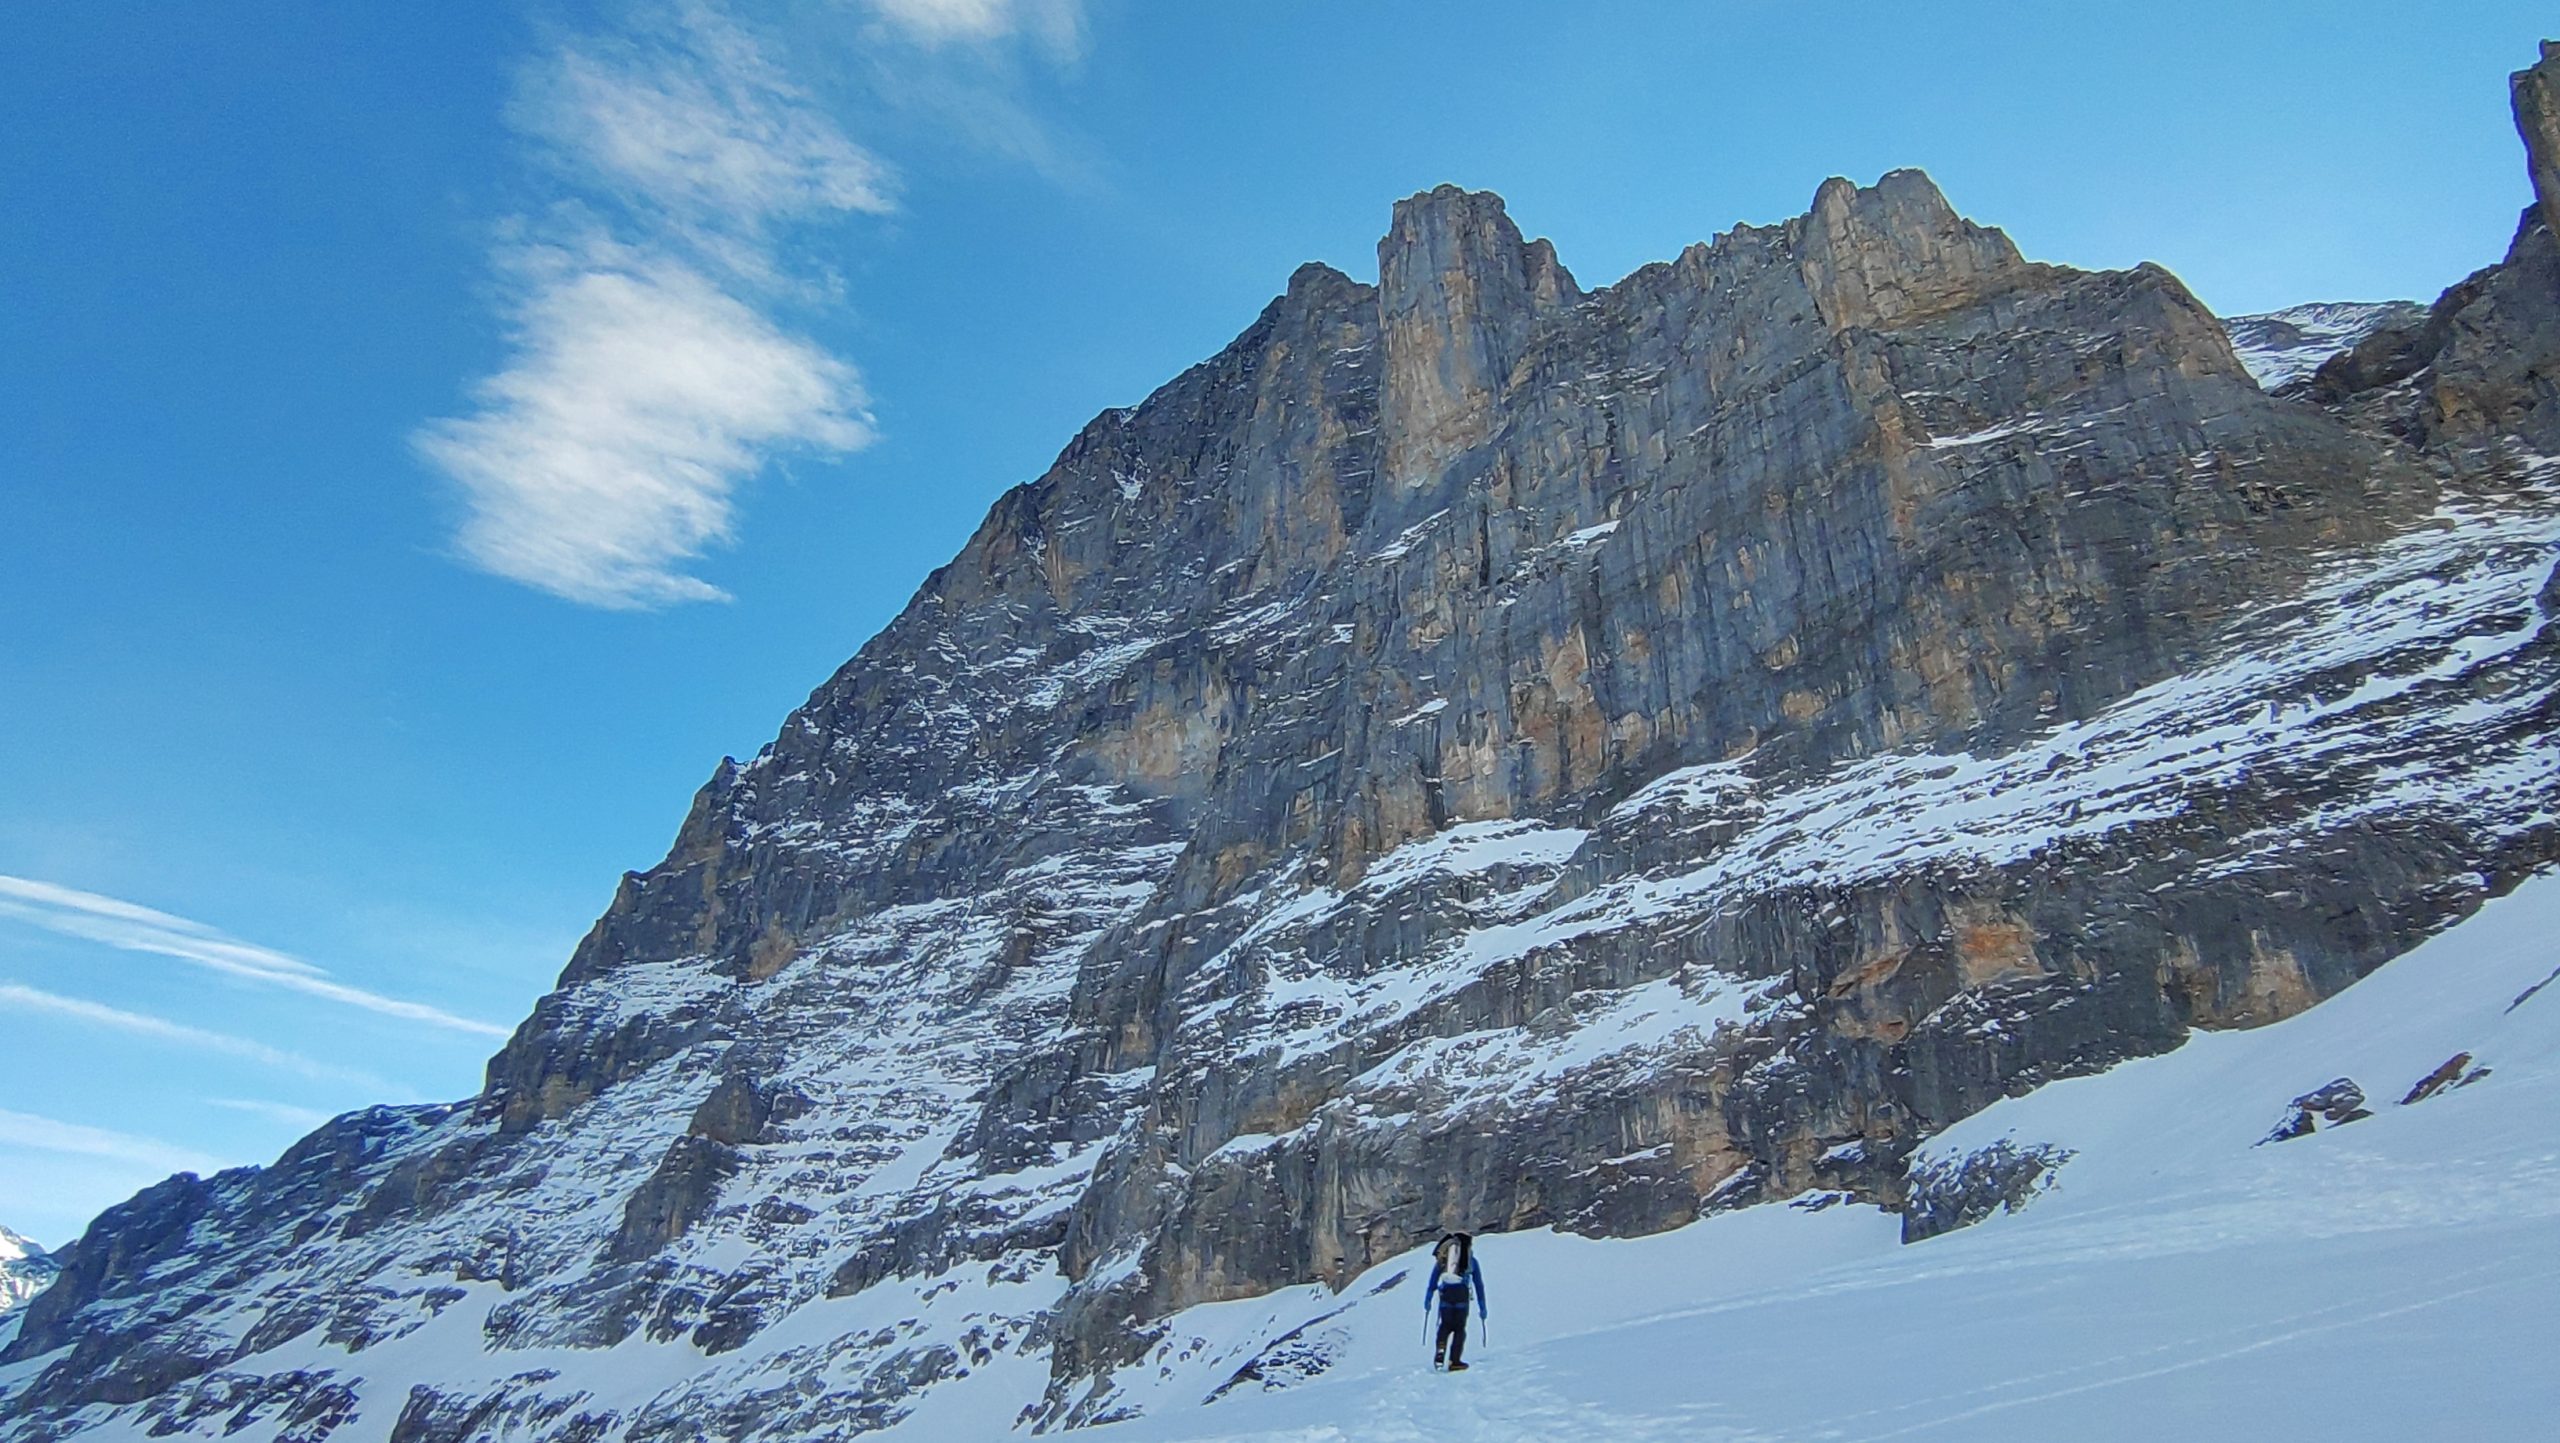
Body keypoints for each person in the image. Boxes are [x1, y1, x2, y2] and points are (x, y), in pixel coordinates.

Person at [1423, 1231, 1488, 1370]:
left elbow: (1434, 1278)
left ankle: (1440, 1350)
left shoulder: (1445, 1259)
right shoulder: (1472, 1260)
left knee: (1445, 1326)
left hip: (1446, 1294)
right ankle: (1455, 1361)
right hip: (1462, 1296)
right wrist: (1482, 1307)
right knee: (1459, 1329)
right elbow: (1478, 1284)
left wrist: (1428, 1297)